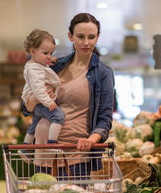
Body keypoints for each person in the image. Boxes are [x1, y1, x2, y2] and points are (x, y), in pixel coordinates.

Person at [22, 13, 115, 177]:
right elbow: (27, 107)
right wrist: (37, 98)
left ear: (98, 37)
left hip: (76, 154)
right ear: (70, 36)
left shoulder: (103, 73)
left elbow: (105, 118)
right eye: (80, 36)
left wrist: (91, 140)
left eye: (91, 37)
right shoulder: (55, 65)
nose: (86, 42)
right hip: (44, 151)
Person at [19, 29, 65, 160]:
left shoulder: (36, 65)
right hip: (41, 101)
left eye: (51, 53)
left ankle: (25, 148)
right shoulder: (34, 69)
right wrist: (48, 102)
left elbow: (43, 74)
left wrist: (47, 65)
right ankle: (52, 144)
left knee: (35, 123)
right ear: (32, 51)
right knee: (59, 116)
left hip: (37, 102)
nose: (49, 56)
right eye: (45, 53)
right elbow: (39, 88)